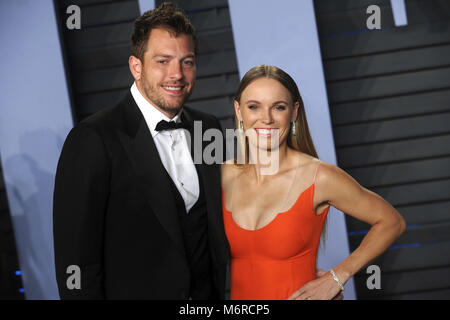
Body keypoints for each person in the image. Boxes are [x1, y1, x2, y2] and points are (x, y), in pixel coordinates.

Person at [53, 3, 229, 299]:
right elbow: (76, 261)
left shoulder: (207, 127)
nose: (177, 75)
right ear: (136, 66)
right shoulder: (93, 139)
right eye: (163, 61)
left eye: (187, 61)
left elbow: (226, 221)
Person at [221, 65, 406, 300]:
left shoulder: (320, 177)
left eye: (278, 107)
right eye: (254, 107)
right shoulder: (220, 176)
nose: (266, 119)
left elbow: (392, 222)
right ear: (239, 111)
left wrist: (336, 277)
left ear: (294, 111)